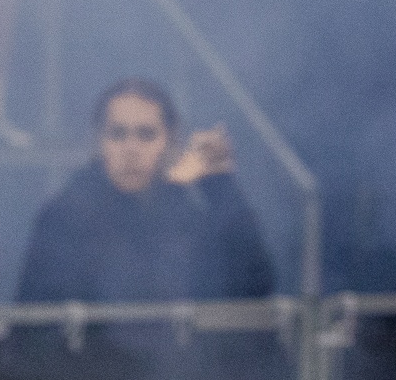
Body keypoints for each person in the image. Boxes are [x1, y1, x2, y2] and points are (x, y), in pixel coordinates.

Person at [17, 76, 274, 302]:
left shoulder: (185, 218)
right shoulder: (64, 220)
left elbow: (256, 288)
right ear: (98, 141)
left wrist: (218, 183)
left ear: (170, 141)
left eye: (146, 135)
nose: (131, 149)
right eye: (117, 134)